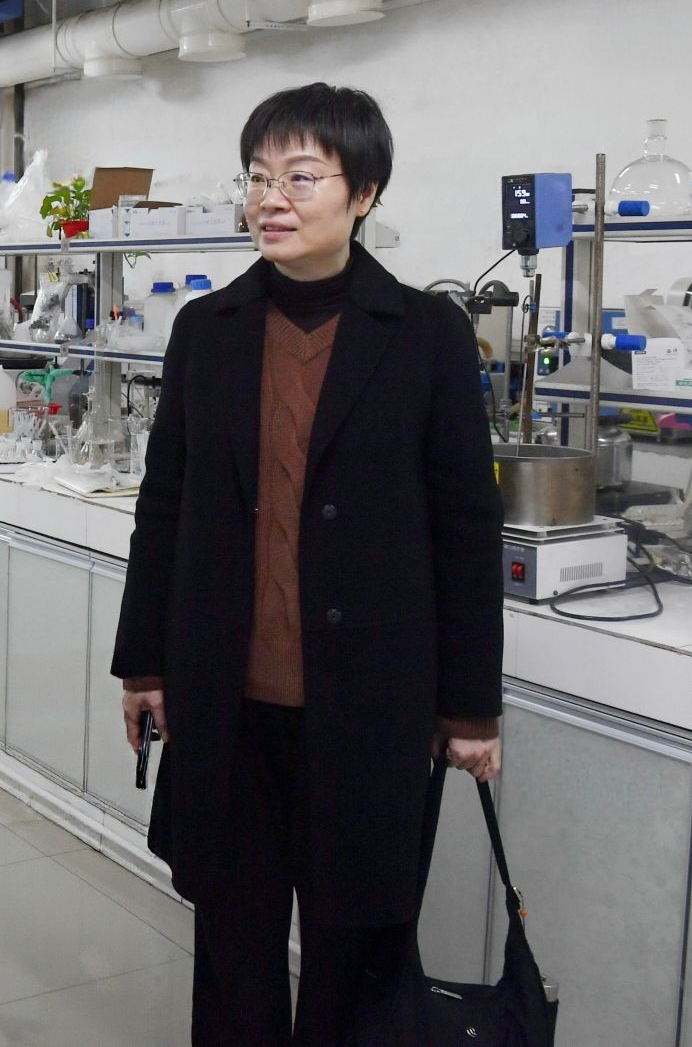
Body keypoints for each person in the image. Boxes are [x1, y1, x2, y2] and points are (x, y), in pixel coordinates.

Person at [111, 83, 504, 1046]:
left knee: (354, 952)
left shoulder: (425, 336)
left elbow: (466, 529)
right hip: (227, 703)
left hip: (370, 704)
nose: (270, 200)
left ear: (362, 194)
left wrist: (470, 708)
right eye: (256, 178)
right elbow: (165, 507)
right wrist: (144, 662)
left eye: (300, 177)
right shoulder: (208, 331)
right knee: (233, 949)